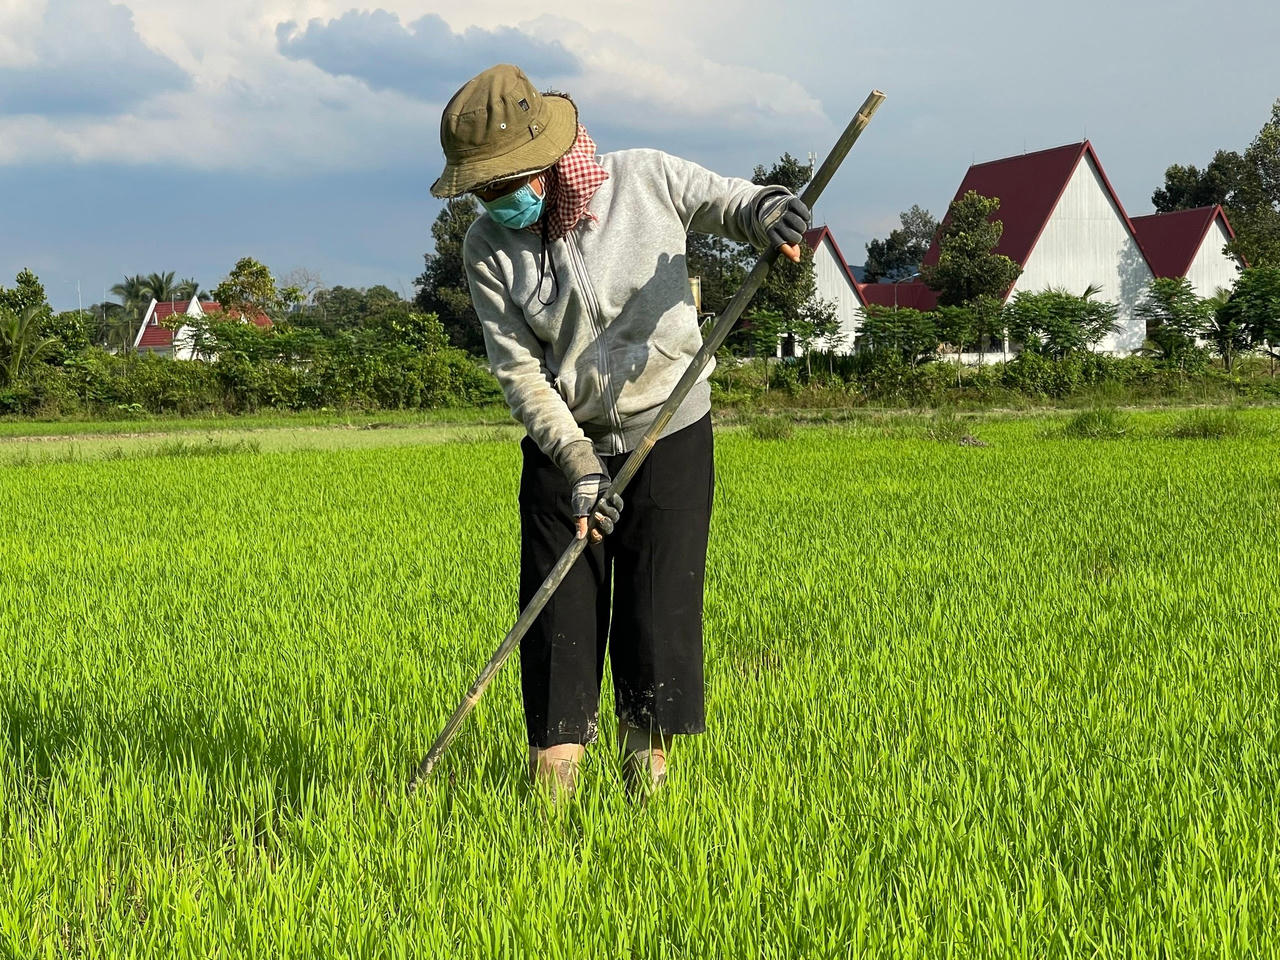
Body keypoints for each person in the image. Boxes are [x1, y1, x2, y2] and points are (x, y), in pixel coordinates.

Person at [431, 63, 810, 801]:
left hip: (668, 429)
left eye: (498, 185)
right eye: (478, 189)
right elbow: (520, 373)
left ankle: (649, 794)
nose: (488, 201)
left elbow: (731, 202)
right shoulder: (487, 248)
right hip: (563, 445)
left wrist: (769, 211)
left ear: (542, 164)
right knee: (557, 624)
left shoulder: (644, 179)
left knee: (656, 616)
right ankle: (552, 798)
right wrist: (575, 461)